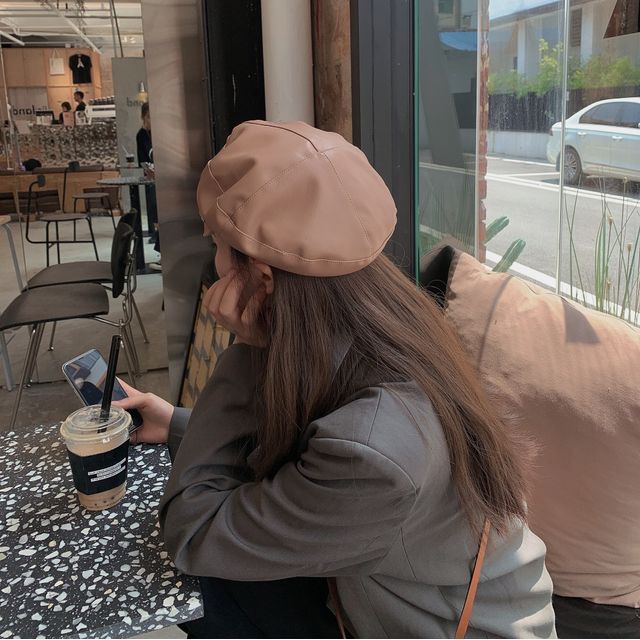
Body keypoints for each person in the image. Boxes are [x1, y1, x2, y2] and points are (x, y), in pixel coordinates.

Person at [116, 121, 556, 638]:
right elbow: (309, 436)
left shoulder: (371, 455)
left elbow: (194, 531)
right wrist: (177, 423)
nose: (213, 263)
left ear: (262, 278)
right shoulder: (390, 323)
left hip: (433, 628)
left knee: (217, 595)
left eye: (216, 243)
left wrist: (249, 349)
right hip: (392, 584)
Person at [135, 101, 161, 271]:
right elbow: (143, 159)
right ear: (144, 117)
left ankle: (163, 254)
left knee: (162, 217)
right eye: (150, 116)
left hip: (164, 179)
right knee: (156, 217)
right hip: (152, 180)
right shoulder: (141, 135)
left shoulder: (159, 132)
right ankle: (162, 254)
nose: (152, 120)